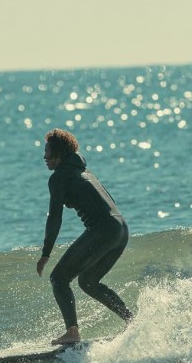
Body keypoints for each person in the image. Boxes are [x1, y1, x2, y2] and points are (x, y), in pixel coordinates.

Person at [35, 129, 133, 344]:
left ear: (58, 153)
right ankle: (132, 322)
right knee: (88, 281)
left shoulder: (59, 177)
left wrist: (46, 253)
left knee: (59, 278)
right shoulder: (87, 173)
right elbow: (110, 201)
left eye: (47, 153)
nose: (44, 157)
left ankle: (72, 332)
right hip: (121, 228)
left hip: (103, 229)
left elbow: (55, 217)